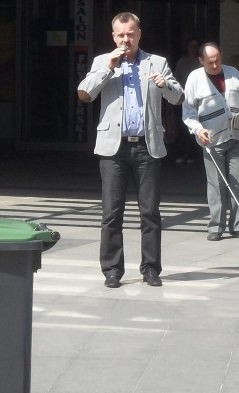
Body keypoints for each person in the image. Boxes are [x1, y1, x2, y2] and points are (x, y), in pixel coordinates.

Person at [77, 12, 182, 289]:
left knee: (150, 212)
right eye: (121, 34)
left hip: (147, 147)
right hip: (114, 149)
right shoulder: (103, 61)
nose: (126, 39)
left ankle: (150, 268)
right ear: (114, 37)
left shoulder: (156, 62)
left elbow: (178, 96)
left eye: (131, 34)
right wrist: (107, 68)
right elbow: (84, 94)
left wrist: (165, 84)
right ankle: (112, 270)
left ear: (139, 34)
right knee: (111, 213)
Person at [183, 42, 239, 241]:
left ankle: (238, 225)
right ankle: (215, 227)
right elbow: (189, 113)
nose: (215, 65)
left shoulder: (234, 72)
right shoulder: (194, 78)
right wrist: (198, 130)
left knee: (238, 180)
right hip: (212, 139)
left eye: (217, 60)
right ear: (201, 61)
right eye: (210, 62)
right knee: (217, 184)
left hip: (236, 136)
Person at [174, 36, 201, 164]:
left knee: (195, 127)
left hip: (198, 100)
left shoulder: (200, 62)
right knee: (182, 128)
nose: (193, 48)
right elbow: (176, 79)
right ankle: (182, 153)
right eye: (191, 45)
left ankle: (193, 154)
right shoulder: (181, 62)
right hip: (183, 98)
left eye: (195, 45)